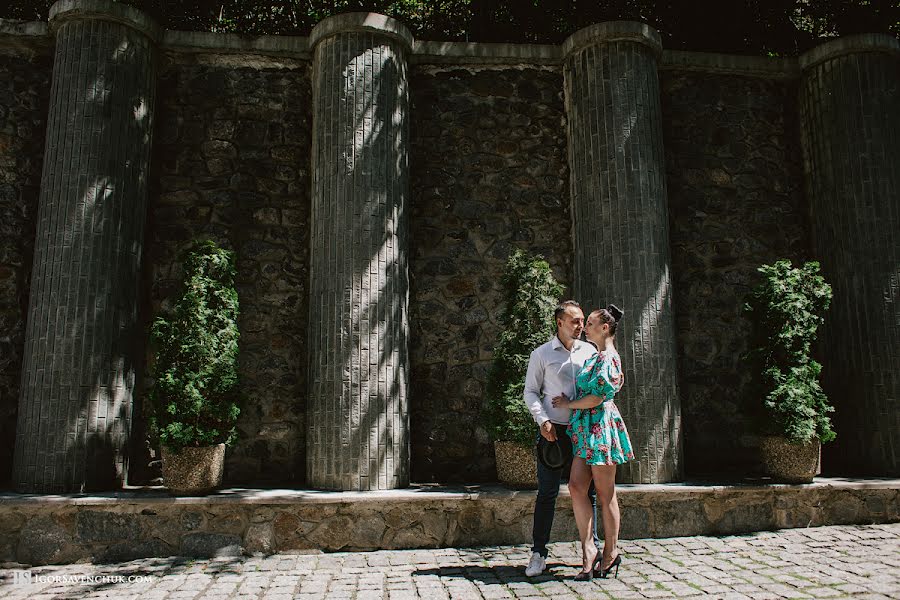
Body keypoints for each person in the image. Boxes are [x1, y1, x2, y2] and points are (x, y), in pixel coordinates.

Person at [552, 305, 633, 580]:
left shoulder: (609, 358)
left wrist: (569, 404)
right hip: (586, 429)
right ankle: (588, 548)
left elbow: (598, 398)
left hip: (600, 428)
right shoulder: (596, 356)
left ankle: (611, 552)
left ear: (604, 328)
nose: (584, 327)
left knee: (605, 492)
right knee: (576, 486)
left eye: (590, 324)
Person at [522, 300, 600, 577]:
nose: (580, 326)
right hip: (553, 432)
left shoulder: (590, 352)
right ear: (559, 322)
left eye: (581, 321)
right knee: (547, 493)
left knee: (587, 493)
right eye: (574, 321)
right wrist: (542, 420)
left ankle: (591, 550)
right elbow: (530, 391)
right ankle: (538, 553)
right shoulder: (541, 354)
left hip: (584, 431)